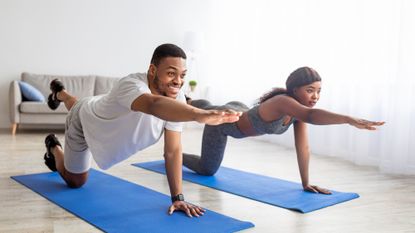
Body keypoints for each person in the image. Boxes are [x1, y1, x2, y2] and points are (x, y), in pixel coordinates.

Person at [42, 43, 241, 217]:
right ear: (152, 70)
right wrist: (199, 114)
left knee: (81, 104)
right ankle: (53, 146)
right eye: (171, 73)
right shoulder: (132, 84)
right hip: (82, 123)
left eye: (182, 75)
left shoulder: (177, 99)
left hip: (94, 109)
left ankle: (60, 93)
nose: (178, 82)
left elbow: (172, 151)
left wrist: (177, 197)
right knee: (76, 182)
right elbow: (153, 104)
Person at [183, 66, 385, 194]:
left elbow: (303, 147)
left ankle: (188, 101)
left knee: (208, 106)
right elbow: (313, 117)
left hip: (240, 109)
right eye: (309, 90)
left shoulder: (298, 112)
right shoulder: (283, 101)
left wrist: (306, 183)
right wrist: (348, 119)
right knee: (207, 169)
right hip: (222, 125)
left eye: (318, 91)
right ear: (295, 90)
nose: (315, 96)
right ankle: (176, 155)